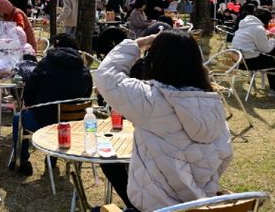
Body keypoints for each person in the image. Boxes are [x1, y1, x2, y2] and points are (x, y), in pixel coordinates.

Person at [94, 31, 232, 211]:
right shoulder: (213, 103)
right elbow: (225, 154)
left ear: (154, 60)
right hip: (201, 205)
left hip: (157, 207)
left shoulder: (150, 100)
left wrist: (137, 44)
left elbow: (106, 77)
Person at [10, 34, 92, 176]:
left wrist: (30, 105)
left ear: (56, 47)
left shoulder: (45, 64)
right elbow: (86, 97)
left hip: (43, 120)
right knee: (57, 115)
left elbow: (29, 90)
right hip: (73, 124)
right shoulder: (84, 70)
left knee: (19, 119)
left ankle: (22, 162)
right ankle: (52, 159)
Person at [232, 8, 275, 96]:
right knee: (274, 55)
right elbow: (265, 49)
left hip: (238, 62)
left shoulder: (244, 25)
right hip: (250, 63)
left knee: (272, 54)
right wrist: (274, 39)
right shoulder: (258, 28)